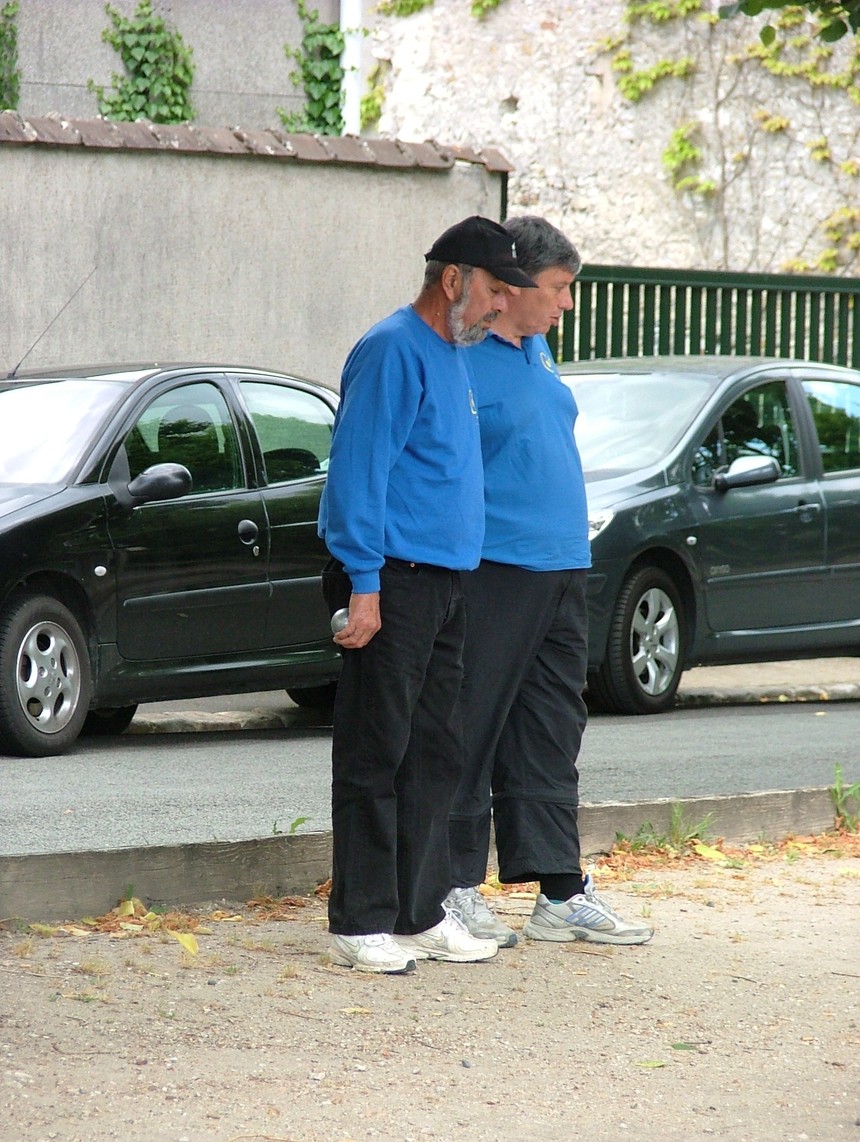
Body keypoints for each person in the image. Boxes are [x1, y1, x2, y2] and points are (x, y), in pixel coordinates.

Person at [318, 215, 538, 974]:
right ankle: (361, 918)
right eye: (493, 292)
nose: (499, 307)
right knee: (376, 751)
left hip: (444, 583)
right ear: (453, 280)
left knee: (434, 754)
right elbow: (357, 475)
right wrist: (364, 587)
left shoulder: (451, 353)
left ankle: (416, 911)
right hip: (394, 579)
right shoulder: (391, 349)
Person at [444, 215, 654, 948]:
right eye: (561, 289)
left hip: (563, 566)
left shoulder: (538, 349)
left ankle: (560, 891)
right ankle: (450, 885)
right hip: (494, 568)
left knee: (552, 729)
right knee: (471, 726)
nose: (567, 304)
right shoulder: (460, 360)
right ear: (516, 284)